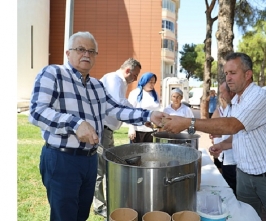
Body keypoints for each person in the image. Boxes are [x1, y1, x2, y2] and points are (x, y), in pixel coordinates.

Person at [28, 31, 167, 221]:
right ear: (68, 53)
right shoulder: (53, 73)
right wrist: (75, 124)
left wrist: (149, 115)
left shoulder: (96, 85)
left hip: (90, 160)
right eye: (81, 49)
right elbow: (36, 112)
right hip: (62, 159)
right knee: (64, 216)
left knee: (81, 215)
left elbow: (117, 109)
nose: (87, 54)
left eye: (92, 51)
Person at [162, 52, 266, 221]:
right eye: (226, 74)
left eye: (233, 73)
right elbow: (242, 133)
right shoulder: (238, 100)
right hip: (245, 175)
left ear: (248, 75)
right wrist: (224, 144)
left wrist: (187, 123)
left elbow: (234, 125)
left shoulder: (259, 96)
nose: (228, 78)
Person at [93, 58, 142, 217]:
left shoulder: (117, 81)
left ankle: (109, 201)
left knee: (109, 166)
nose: (135, 80)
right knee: (101, 169)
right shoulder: (115, 80)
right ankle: (99, 206)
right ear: (127, 70)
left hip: (107, 131)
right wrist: (140, 116)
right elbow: (118, 104)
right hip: (101, 131)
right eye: (134, 76)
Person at [210, 81, 237, 195]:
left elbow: (238, 133)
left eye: (222, 92)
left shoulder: (237, 109)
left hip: (234, 159)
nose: (220, 96)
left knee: (233, 192)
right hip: (226, 156)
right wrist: (219, 135)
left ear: (231, 92)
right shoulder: (228, 108)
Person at [128, 72, 160, 142]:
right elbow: (130, 111)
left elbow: (157, 111)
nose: (152, 84)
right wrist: (131, 128)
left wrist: (158, 126)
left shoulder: (156, 94)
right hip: (138, 130)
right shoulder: (135, 93)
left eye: (154, 82)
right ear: (144, 81)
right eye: (150, 82)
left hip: (152, 130)